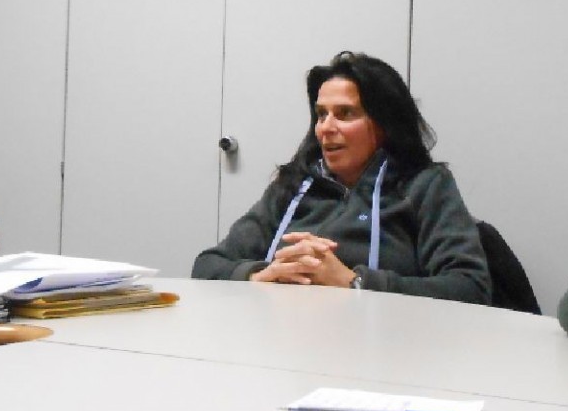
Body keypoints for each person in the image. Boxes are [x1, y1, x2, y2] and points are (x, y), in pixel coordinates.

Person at [192, 51, 491, 304]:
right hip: (285, 341)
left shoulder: (424, 185)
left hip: (385, 346)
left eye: (345, 114)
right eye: (321, 114)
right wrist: (260, 275)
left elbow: (470, 287)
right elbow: (207, 265)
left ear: (384, 123)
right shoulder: (294, 185)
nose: (326, 128)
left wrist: (354, 282)